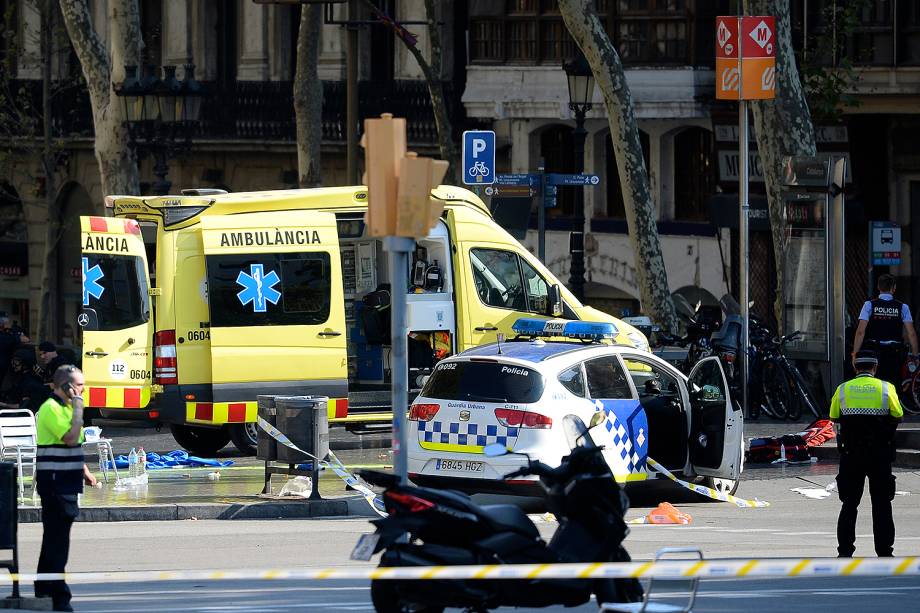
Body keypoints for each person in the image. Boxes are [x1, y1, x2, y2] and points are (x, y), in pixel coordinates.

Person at [830, 350, 903, 558]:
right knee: (882, 503)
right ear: (875, 367)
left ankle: (845, 550)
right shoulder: (886, 389)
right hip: (880, 454)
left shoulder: (843, 390)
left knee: (849, 503)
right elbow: (898, 414)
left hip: (851, 454)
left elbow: (834, 416)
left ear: (855, 367)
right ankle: (884, 551)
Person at [34, 364, 86, 612]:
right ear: (66, 385)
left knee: (55, 540)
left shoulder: (65, 407)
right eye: (80, 385)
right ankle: (58, 596)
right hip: (55, 483)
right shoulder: (51, 408)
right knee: (57, 542)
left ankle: (44, 590)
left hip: (67, 481)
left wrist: (85, 471)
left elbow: (74, 446)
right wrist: (78, 407)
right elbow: (71, 438)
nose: (83, 390)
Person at [852, 274, 919, 386]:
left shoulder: (869, 305)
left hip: (874, 353)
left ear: (878, 287)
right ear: (894, 288)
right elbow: (911, 333)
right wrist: (915, 356)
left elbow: (860, 332)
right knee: (893, 385)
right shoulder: (903, 307)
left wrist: (855, 354)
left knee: (874, 384)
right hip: (895, 354)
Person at [0, 348, 49, 413]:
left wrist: (2, 404)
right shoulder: (20, 377)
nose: (13, 364)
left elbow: (23, 406)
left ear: (25, 363)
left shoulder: (29, 382)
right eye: (13, 361)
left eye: (16, 362)